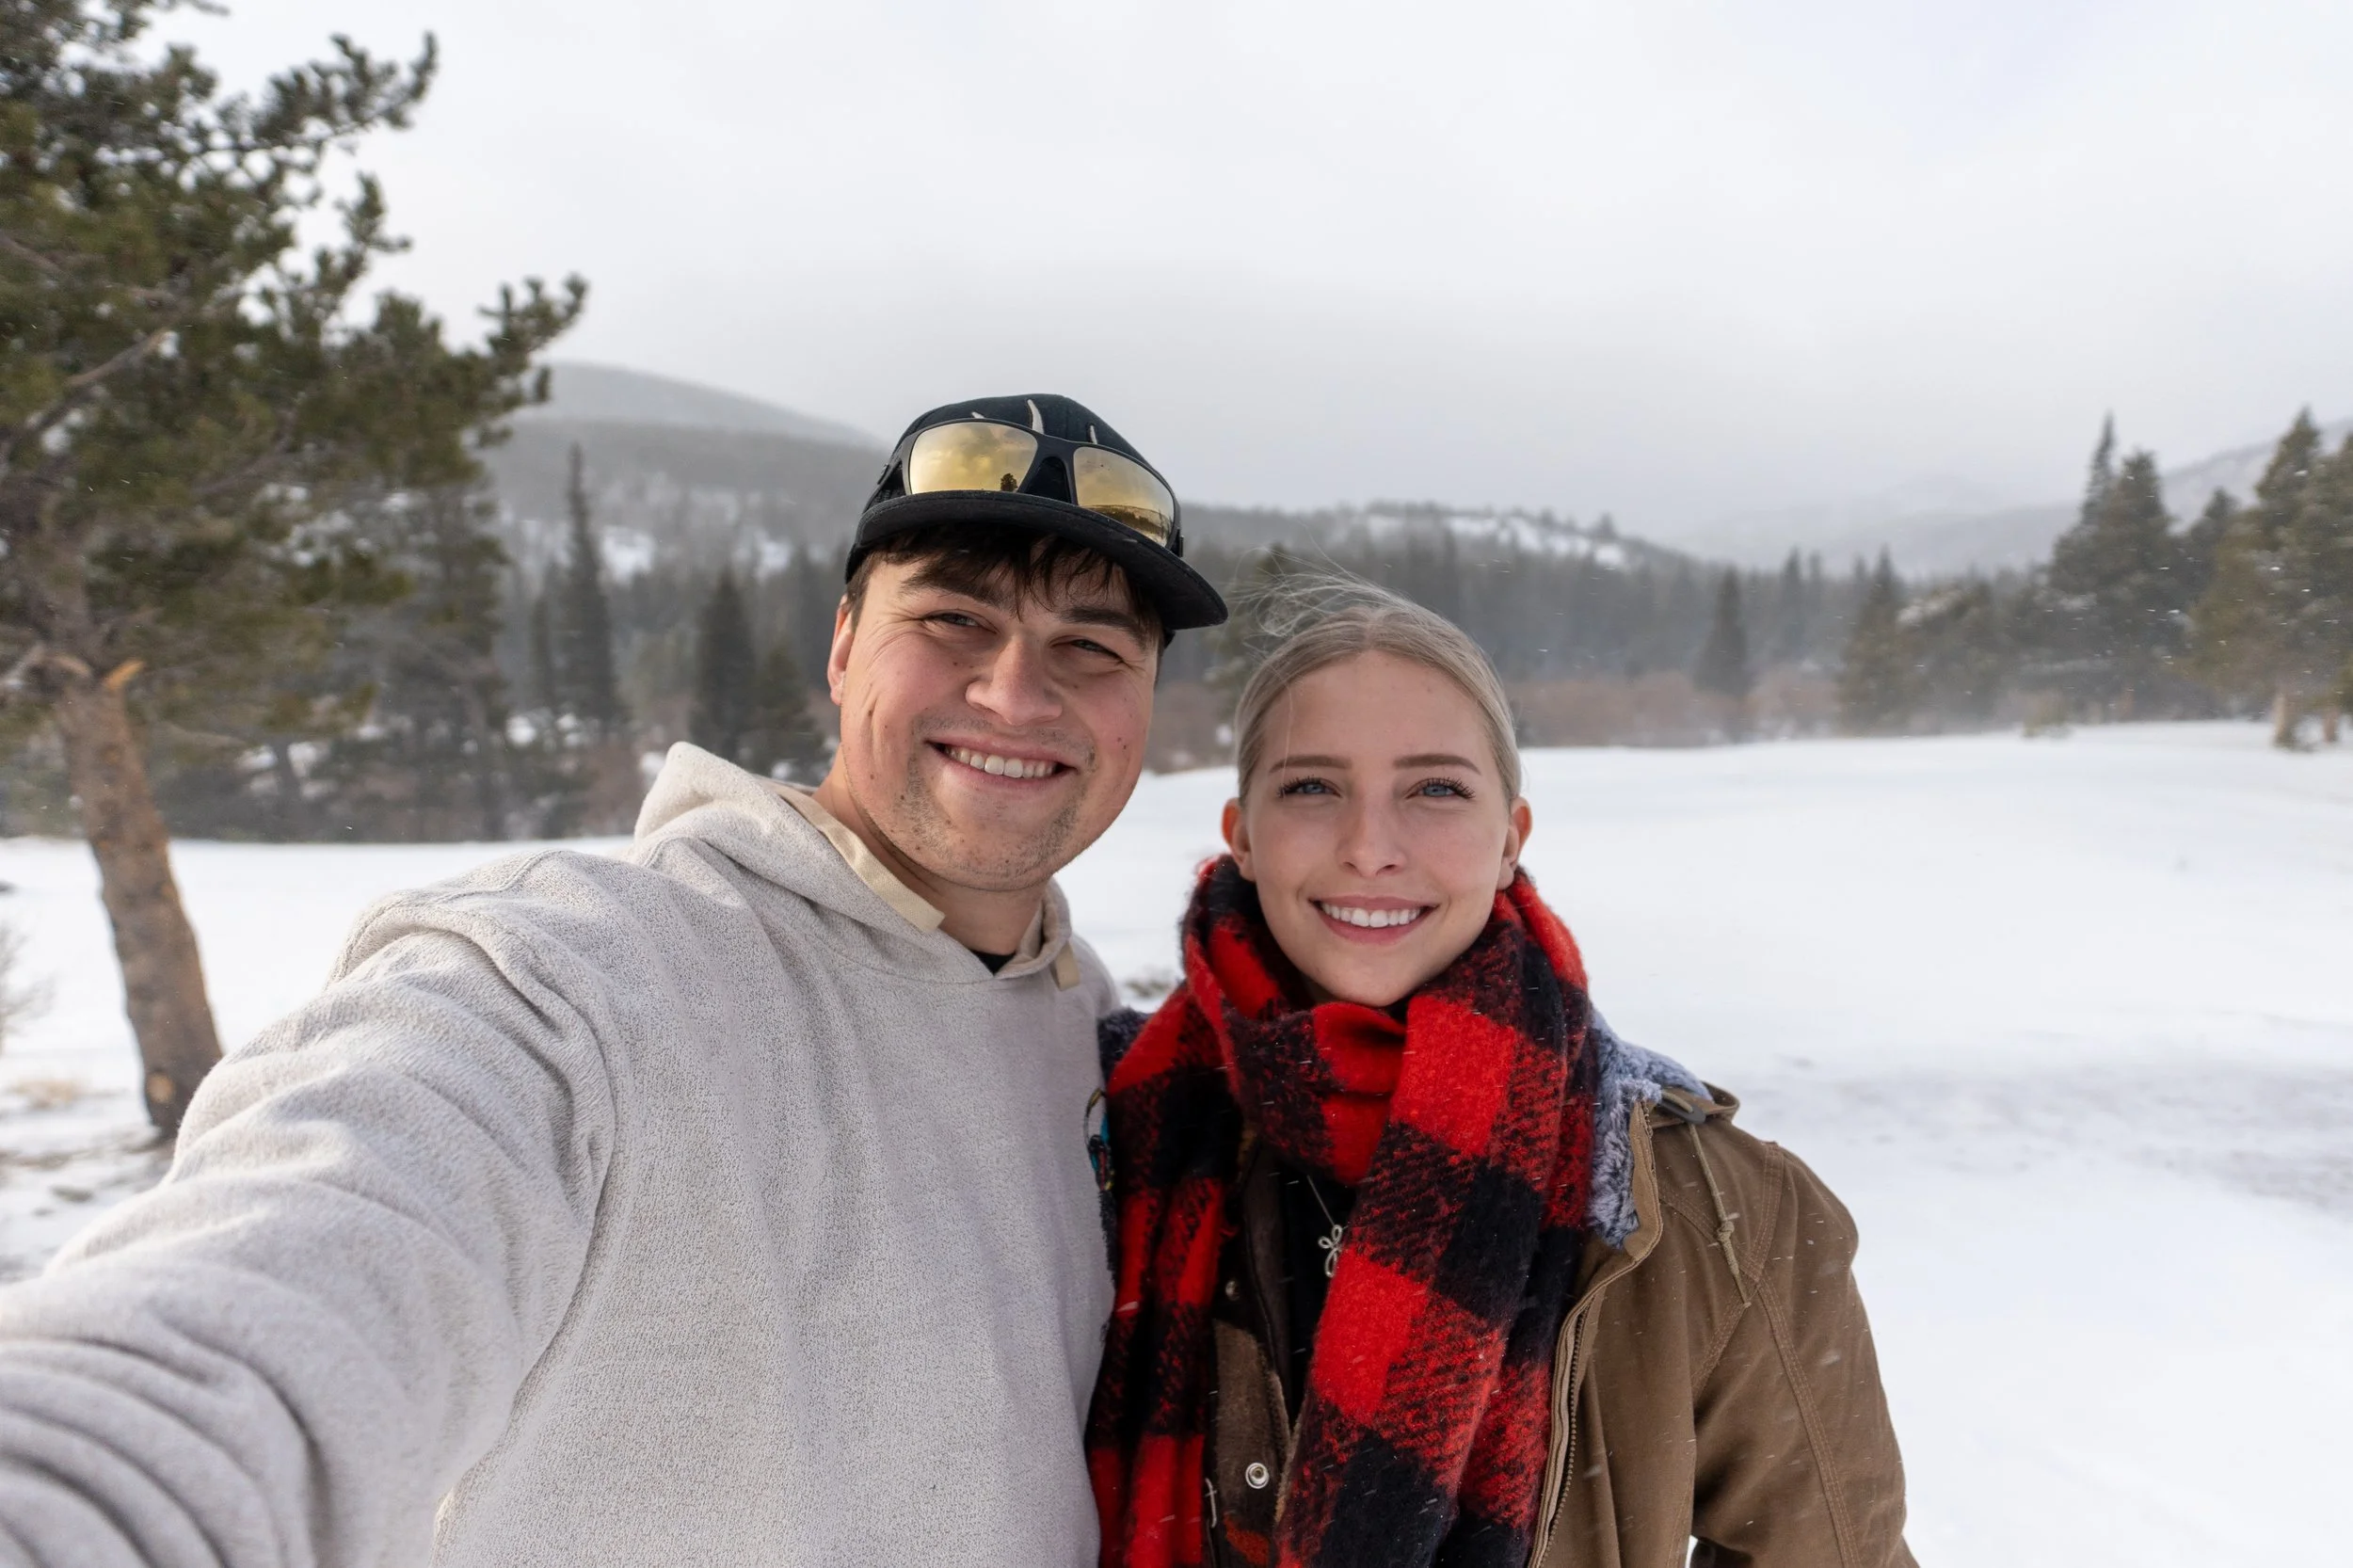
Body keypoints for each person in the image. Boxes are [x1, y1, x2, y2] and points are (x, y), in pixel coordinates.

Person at [0, 393, 1225, 1567]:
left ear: (1143, 704)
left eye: (1090, 646)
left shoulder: (1084, 1020)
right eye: (953, 620)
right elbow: (269, 1302)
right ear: (844, 647)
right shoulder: (577, 972)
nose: (1016, 691)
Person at [1087, 580, 1913, 1568]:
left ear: (1511, 836)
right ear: (1242, 835)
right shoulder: (1106, 1137)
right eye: (1311, 786)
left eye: (1435, 789)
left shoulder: (1721, 1214)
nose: (1370, 848)